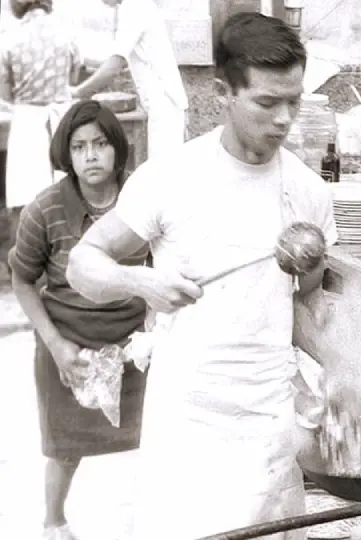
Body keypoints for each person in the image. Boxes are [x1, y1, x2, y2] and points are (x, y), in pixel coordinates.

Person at [64, 13, 338, 540]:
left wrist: (353, 370)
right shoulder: (172, 178)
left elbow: (307, 305)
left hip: (268, 420)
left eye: (293, 101)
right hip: (188, 419)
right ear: (221, 94)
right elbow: (83, 265)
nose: (284, 119)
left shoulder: (307, 193)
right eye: (266, 102)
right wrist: (141, 284)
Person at [8, 99, 148, 540]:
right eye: (80, 146)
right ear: (66, 155)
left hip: (134, 346)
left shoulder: (142, 201)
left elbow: (168, 265)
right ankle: (54, 522)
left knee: (156, 436)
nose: (91, 155)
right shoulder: (45, 210)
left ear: (117, 149)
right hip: (68, 346)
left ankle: (150, 521)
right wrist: (57, 346)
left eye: (101, 144)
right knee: (64, 448)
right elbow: (23, 281)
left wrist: (153, 333)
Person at [1, 0, 79, 274]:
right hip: (60, 117)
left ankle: (24, 271)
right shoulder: (64, 31)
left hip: (27, 120)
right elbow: (74, 73)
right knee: (67, 192)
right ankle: (69, 266)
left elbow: (5, 93)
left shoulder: (10, 38)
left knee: (23, 197)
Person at [70, 0, 189, 160]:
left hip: (165, 104)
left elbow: (115, 65)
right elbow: (116, 59)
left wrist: (77, 92)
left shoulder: (135, 8)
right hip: (162, 103)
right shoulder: (134, 6)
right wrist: (82, 59)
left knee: (164, 172)